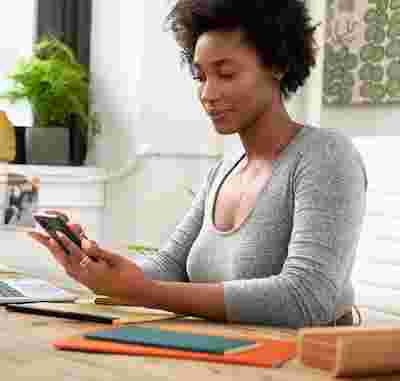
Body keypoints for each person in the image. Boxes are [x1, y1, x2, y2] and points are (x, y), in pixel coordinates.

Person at [29, 0, 367, 328]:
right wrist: (97, 269)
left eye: (226, 73)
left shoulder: (326, 156)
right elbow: (170, 266)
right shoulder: (224, 171)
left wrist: (143, 292)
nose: (208, 93)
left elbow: (306, 298)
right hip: (222, 356)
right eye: (200, 76)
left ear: (277, 65)